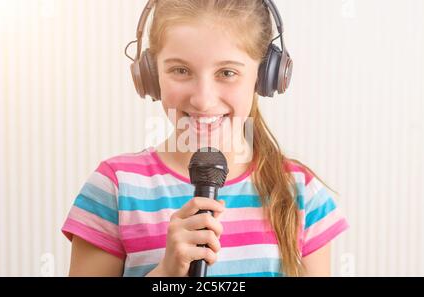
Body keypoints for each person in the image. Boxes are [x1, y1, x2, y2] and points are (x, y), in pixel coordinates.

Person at [62, 0, 349, 277]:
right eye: (181, 70)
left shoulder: (301, 195)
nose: (202, 99)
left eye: (227, 72)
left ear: (264, 76)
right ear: (150, 75)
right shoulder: (114, 188)